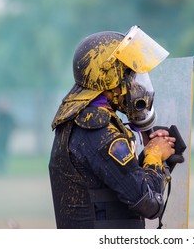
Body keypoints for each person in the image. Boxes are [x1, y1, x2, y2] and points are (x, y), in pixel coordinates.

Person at [49, 26, 177, 229]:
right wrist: (153, 157)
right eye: (130, 74)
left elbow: (113, 179)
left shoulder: (80, 119)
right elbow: (149, 204)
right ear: (109, 77)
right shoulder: (98, 130)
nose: (136, 84)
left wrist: (153, 153)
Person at [0, 99, 15, 176]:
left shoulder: (8, 116)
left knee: (3, 153)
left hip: (5, 138)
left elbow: (13, 125)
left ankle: (3, 169)